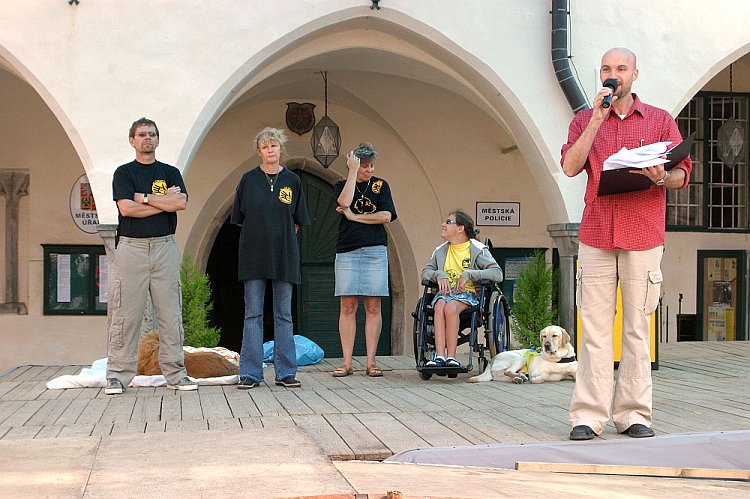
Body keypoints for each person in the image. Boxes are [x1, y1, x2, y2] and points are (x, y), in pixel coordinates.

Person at [561, 47, 692, 440]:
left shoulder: (660, 120)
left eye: (621, 68)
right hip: (597, 232)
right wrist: (595, 120)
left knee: (637, 328)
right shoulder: (585, 118)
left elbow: (682, 174)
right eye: (606, 68)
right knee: (594, 329)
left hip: (643, 233)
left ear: (635, 74)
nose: (613, 74)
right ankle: (588, 415)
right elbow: (570, 167)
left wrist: (659, 177)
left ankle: (635, 414)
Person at [106, 117, 197, 395]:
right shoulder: (124, 173)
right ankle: (118, 376)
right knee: (126, 314)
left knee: (170, 312)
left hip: (164, 246)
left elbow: (180, 202)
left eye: (152, 134)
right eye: (142, 134)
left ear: (158, 140)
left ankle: (176, 373)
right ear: (132, 140)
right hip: (131, 247)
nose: (147, 138)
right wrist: (163, 203)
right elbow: (126, 210)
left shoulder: (170, 172)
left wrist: (144, 198)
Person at [231, 127, 310, 389]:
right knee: (253, 314)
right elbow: (240, 219)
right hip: (253, 256)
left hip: (284, 256)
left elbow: (298, 221)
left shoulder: (293, 181)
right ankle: (251, 373)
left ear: (280, 149)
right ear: (259, 151)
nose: (270, 150)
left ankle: (286, 371)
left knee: (284, 315)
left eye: (274, 146)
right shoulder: (247, 180)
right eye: (265, 147)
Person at [331, 142, 397, 378]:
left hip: (375, 250)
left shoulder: (381, 186)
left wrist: (355, 218)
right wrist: (351, 173)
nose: (369, 170)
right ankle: (347, 362)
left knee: (374, 305)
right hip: (347, 250)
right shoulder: (342, 184)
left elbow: (386, 216)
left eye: (371, 166)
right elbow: (344, 202)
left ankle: (371, 362)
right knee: (348, 305)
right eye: (364, 166)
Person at [420, 211, 502, 368]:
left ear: (460, 229)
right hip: (444, 294)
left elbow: (497, 273)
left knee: (450, 307)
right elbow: (426, 273)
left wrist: (470, 274)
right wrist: (438, 274)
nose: (443, 224)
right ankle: (439, 357)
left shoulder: (477, 249)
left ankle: (451, 357)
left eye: (448, 222)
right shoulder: (440, 251)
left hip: (468, 294)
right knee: (439, 306)